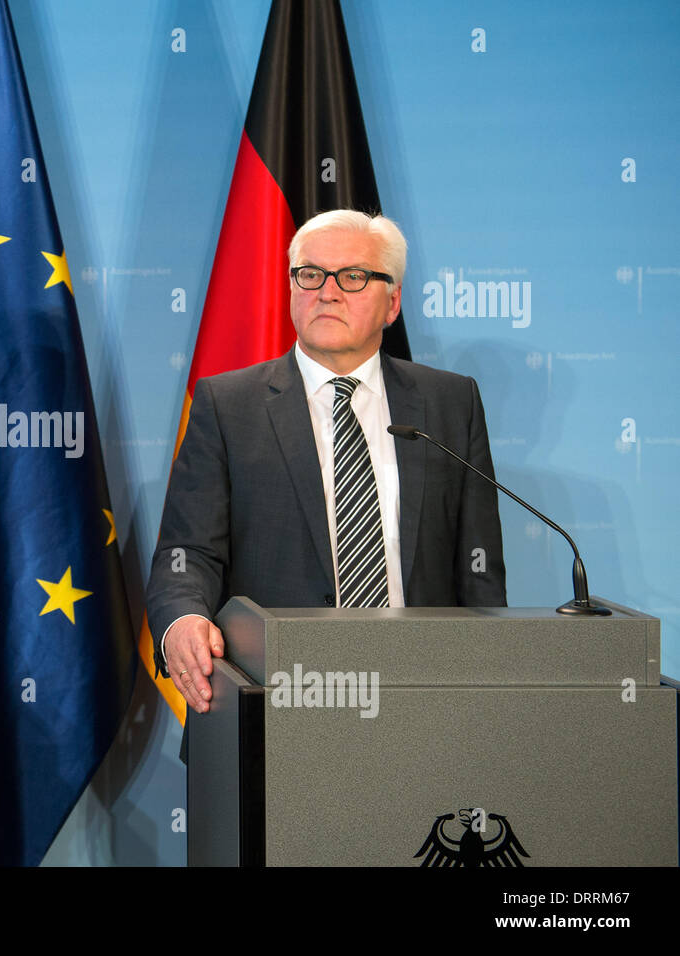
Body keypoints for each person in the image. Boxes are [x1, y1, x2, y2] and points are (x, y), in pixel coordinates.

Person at [146, 209, 506, 715]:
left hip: (423, 703)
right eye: (310, 274)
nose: (327, 291)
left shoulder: (450, 403)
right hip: (275, 700)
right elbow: (187, 553)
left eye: (353, 277)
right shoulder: (228, 405)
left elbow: (480, 573)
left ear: (393, 302)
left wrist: (487, 698)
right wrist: (182, 620)